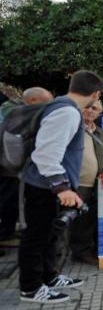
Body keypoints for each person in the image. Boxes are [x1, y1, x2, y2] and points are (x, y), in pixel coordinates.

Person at [19, 70, 103, 303]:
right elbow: (46, 153)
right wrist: (62, 187)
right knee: (37, 237)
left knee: (50, 236)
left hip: (50, 186)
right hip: (45, 187)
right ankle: (31, 287)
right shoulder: (66, 112)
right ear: (96, 94)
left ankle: (49, 276)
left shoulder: (63, 107)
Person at [0, 87, 53, 242]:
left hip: (13, 168)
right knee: (8, 202)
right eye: (46, 102)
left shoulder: (15, 111)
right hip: (9, 168)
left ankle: (8, 231)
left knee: (14, 203)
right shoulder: (18, 112)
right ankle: (4, 235)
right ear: (33, 101)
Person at [69, 100, 103, 264]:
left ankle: (85, 251)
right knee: (73, 221)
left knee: (89, 220)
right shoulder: (71, 128)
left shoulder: (100, 133)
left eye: (94, 108)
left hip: (97, 185)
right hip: (74, 184)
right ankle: (74, 253)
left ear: (99, 112)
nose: (90, 111)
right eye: (87, 107)